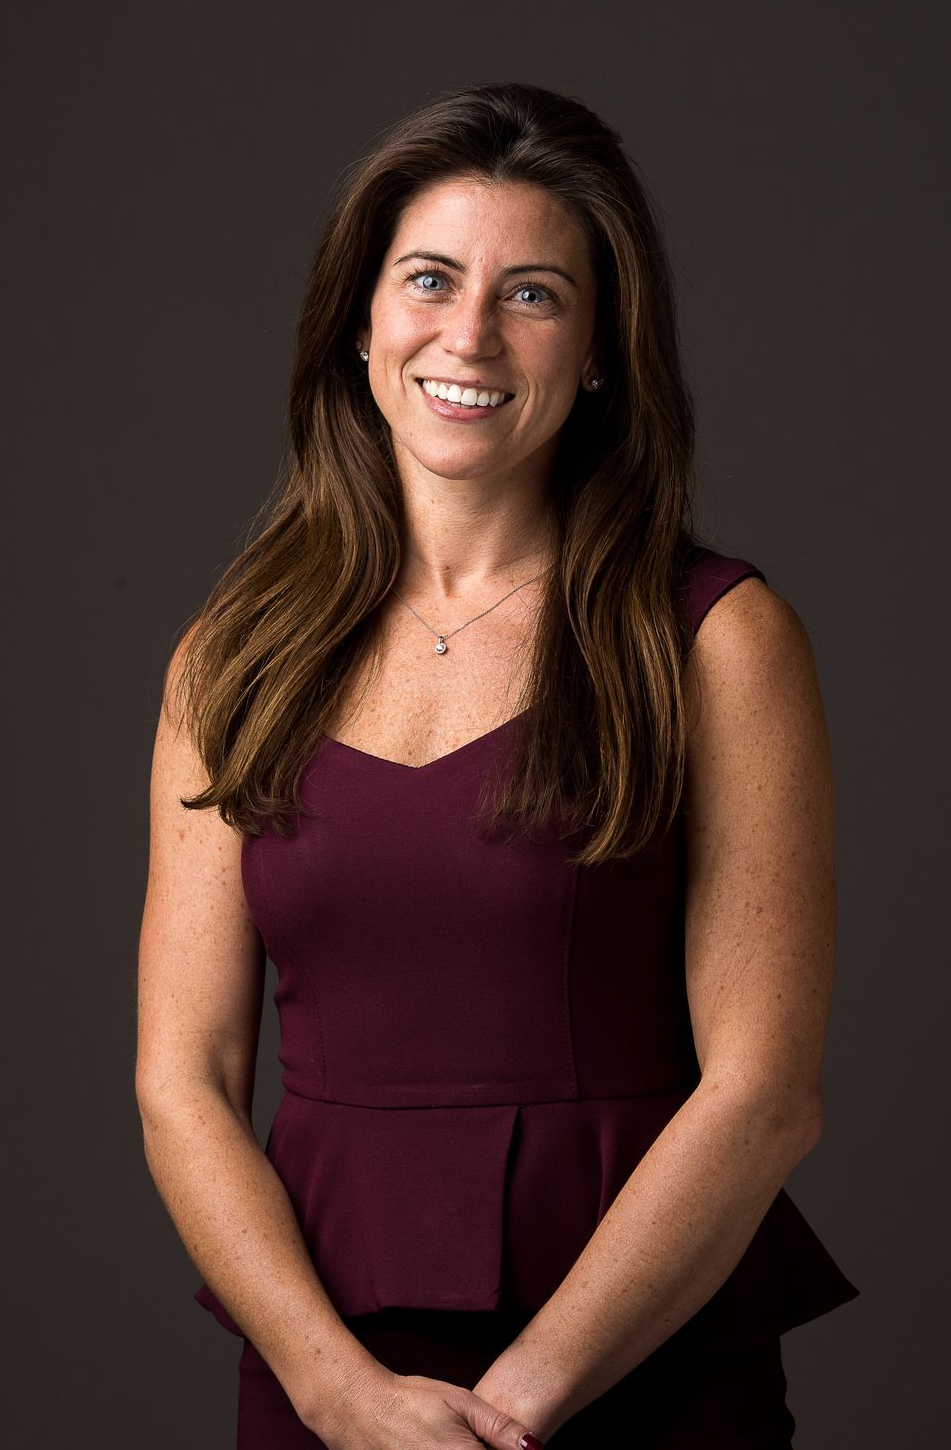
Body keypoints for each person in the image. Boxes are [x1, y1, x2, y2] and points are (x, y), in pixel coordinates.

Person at [136, 80, 860, 1448]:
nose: (466, 334)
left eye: (531, 293)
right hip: (322, 1376)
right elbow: (184, 1076)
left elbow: (764, 1093)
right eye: (427, 280)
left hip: (637, 1365)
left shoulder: (714, 637)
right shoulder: (226, 657)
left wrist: (513, 1409)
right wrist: (335, 1390)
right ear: (359, 319)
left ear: (596, 351)